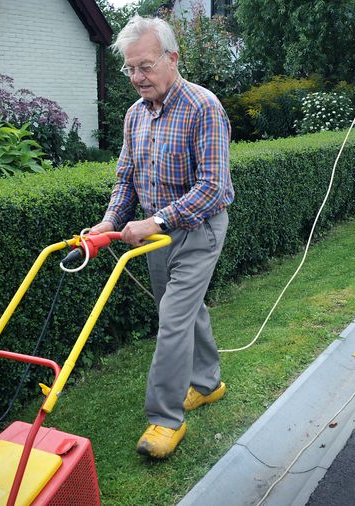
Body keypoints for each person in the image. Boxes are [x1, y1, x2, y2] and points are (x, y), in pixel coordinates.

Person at [88, 15, 234, 458]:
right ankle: (208, 383)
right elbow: (126, 178)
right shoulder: (135, 115)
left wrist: (156, 222)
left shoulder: (204, 107)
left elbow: (213, 186)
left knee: (172, 319)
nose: (136, 77)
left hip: (199, 228)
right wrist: (111, 222)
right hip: (156, 234)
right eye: (130, 69)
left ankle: (164, 419)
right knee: (185, 310)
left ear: (172, 59)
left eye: (145, 66)